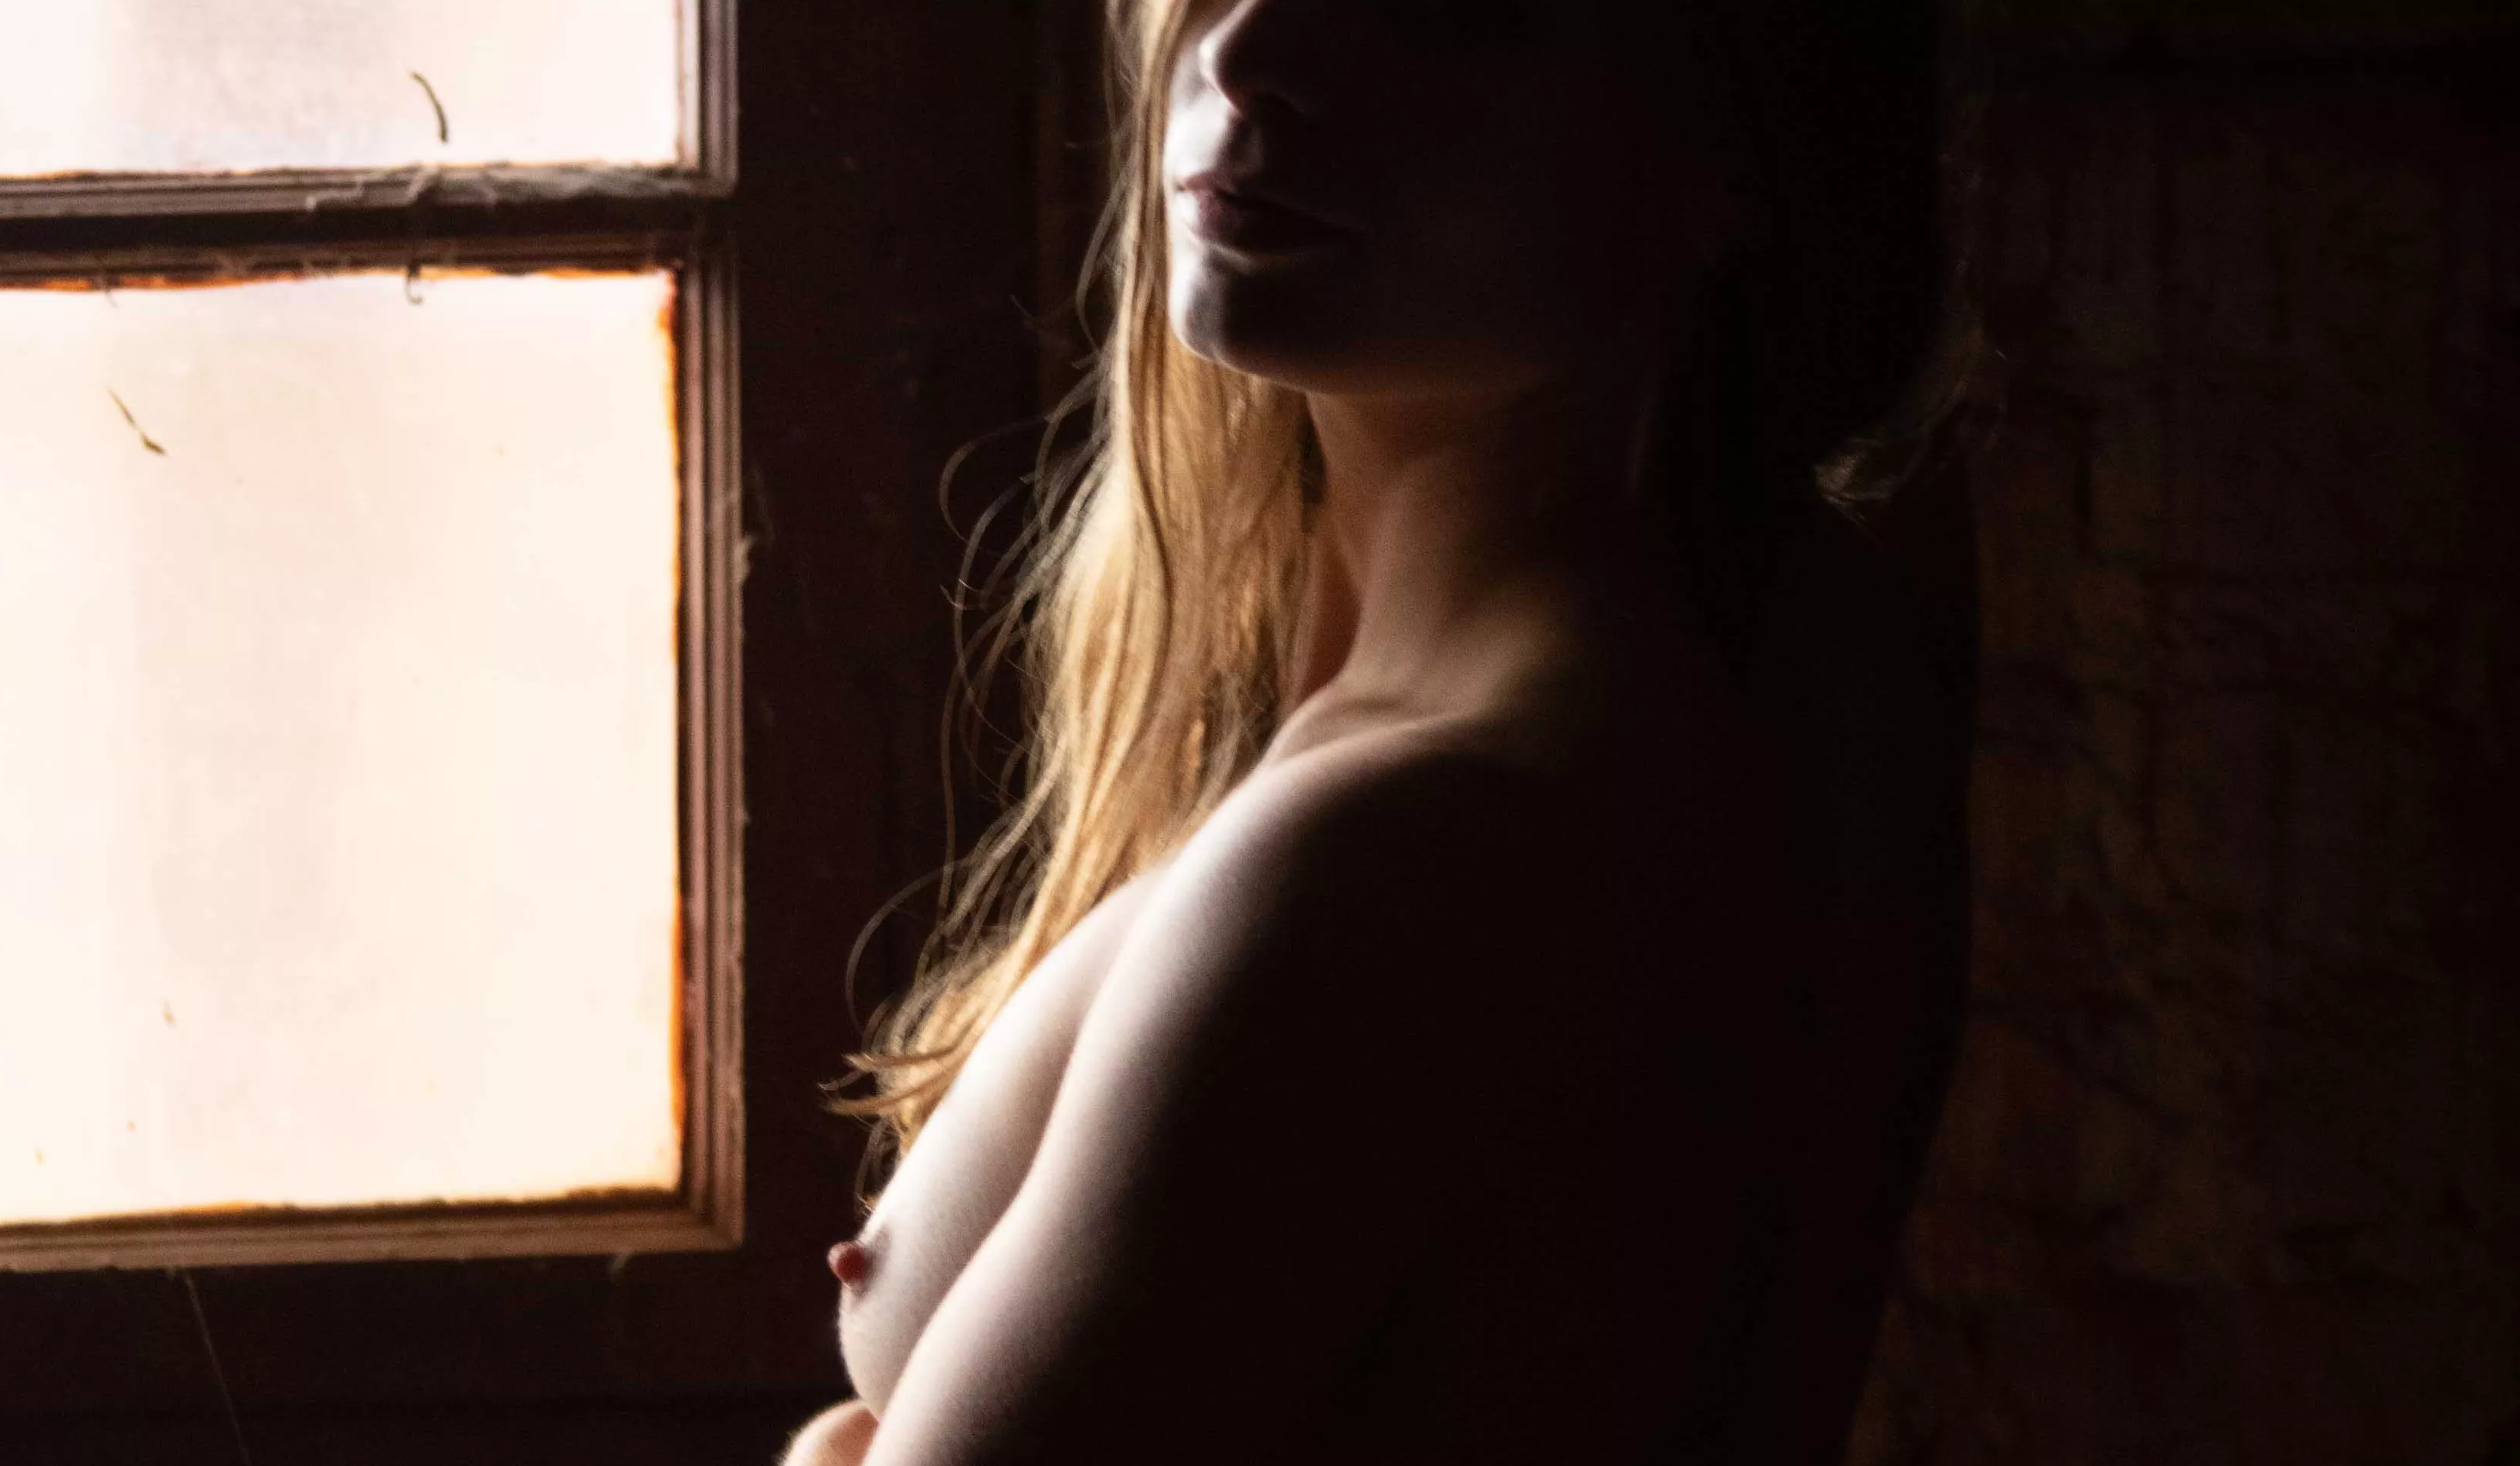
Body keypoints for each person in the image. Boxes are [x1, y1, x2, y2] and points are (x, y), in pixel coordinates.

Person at [783, 1, 1972, 1461]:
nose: (1246, 52)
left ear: (1729, 144)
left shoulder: (1415, 854)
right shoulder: (1754, 656)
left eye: (1424, 11)